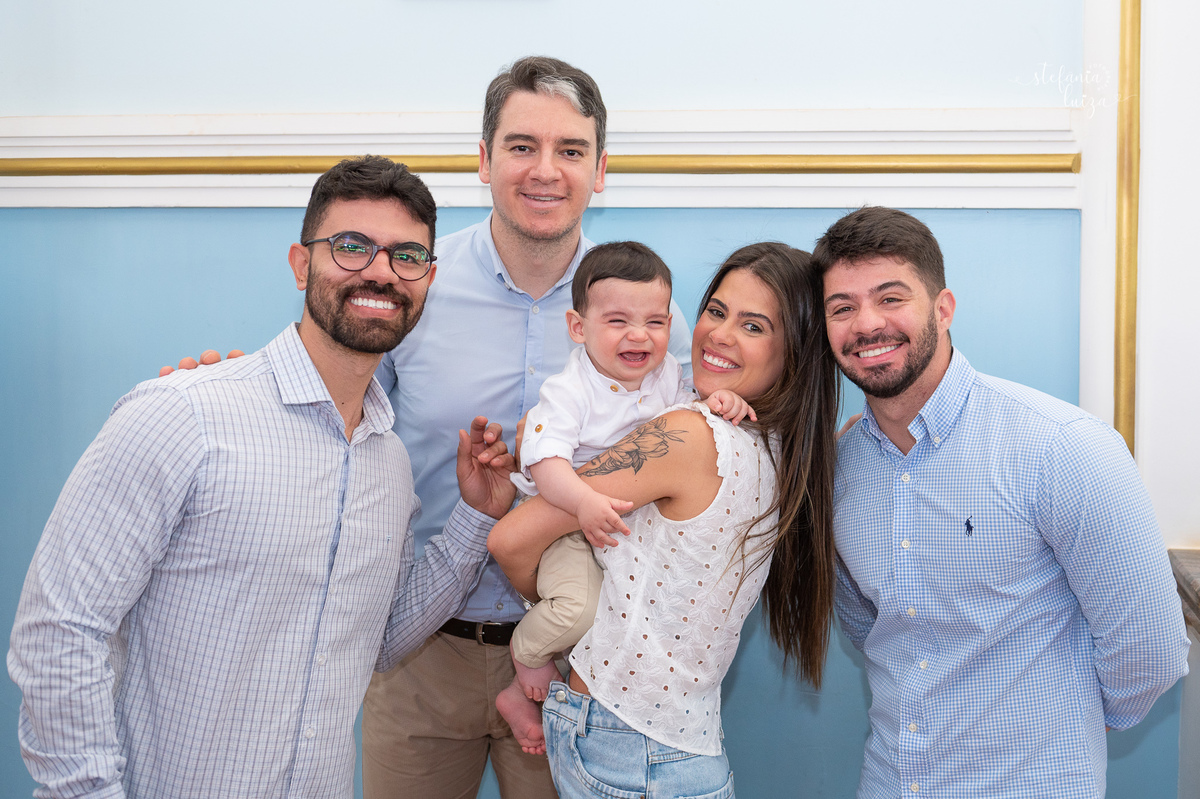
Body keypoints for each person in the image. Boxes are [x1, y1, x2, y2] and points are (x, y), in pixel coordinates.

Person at [7, 156, 517, 798]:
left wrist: (475, 517)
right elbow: (60, 630)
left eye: (406, 255)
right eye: (351, 246)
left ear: (427, 280)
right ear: (302, 265)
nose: (381, 271)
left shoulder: (389, 465)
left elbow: (378, 641)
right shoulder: (182, 414)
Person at [362, 57, 693, 798]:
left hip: (582, 661)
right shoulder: (413, 284)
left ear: (599, 171)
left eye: (570, 150)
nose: (546, 170)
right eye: (522, 146)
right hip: (421, 655)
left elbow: (695, 449)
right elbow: (338, 429)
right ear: (484, 160)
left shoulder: (645, 314)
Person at [813, 206, 1190, 798]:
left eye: (891, 298)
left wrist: (1064, 730)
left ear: (943, 309)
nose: (867, 324)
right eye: (842, 308)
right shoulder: (841, 469)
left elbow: (1152, 651)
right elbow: (871, 628)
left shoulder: (1061, 447)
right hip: (890, 782)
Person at [488, 242, 841, 798]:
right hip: (682, 746)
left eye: (753, 326)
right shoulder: (782, 451)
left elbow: (510, 539)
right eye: (717, 311)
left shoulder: (688, 434)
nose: (720, 335)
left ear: (796, 350)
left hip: (628, 751)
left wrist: (560, 601)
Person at [498, 241, 752, 755]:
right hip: (565, 522)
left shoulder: (666, 377)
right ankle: (525, 657)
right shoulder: (569, 390)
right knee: (579, 609)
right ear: (578, 328)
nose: (639, 335)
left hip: (618, 526)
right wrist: (582, 502)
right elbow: (544, 463)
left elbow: (690, 414)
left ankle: (530, 693)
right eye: (617, 321)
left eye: (654, 322)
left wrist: (718, 400)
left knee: (617, 624)